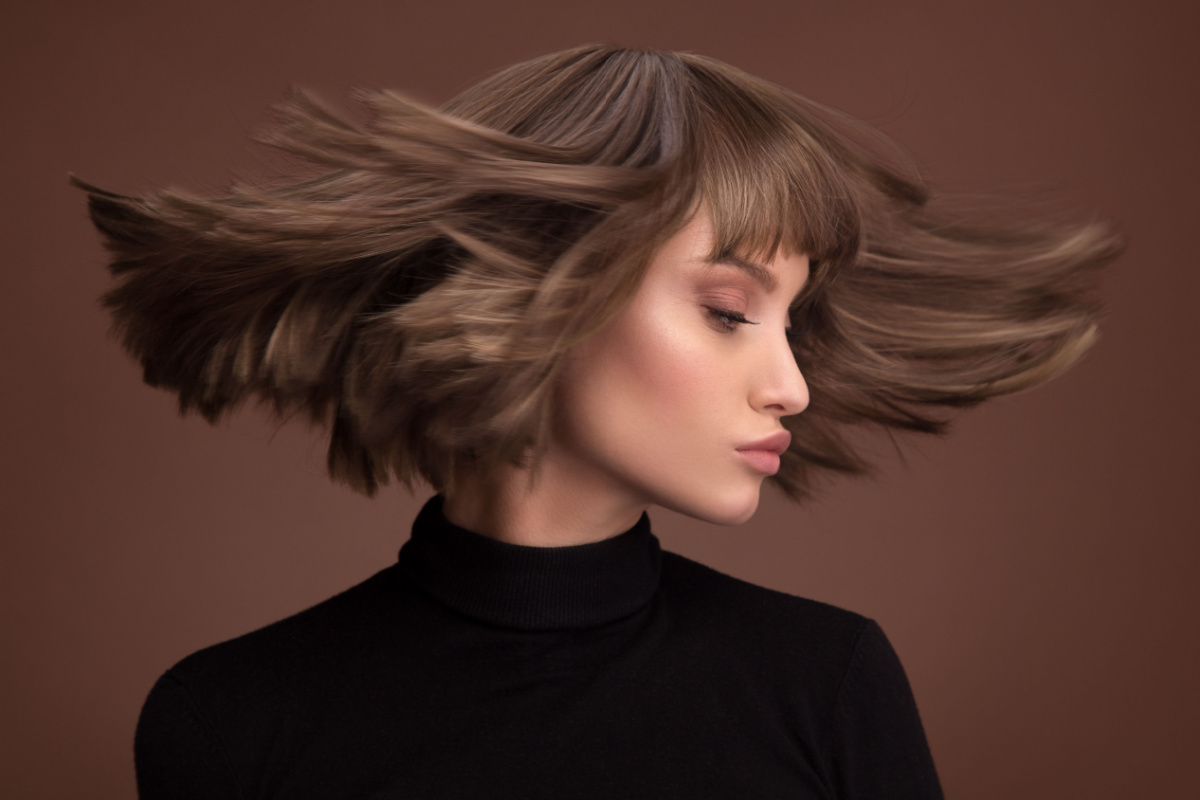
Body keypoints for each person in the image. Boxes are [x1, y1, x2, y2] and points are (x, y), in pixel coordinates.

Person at [75, 44, 1118, 799]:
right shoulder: (230, 720)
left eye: (793, 322)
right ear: (546, 291)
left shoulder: (825, 683)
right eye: (728, 312)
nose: (792, 385)